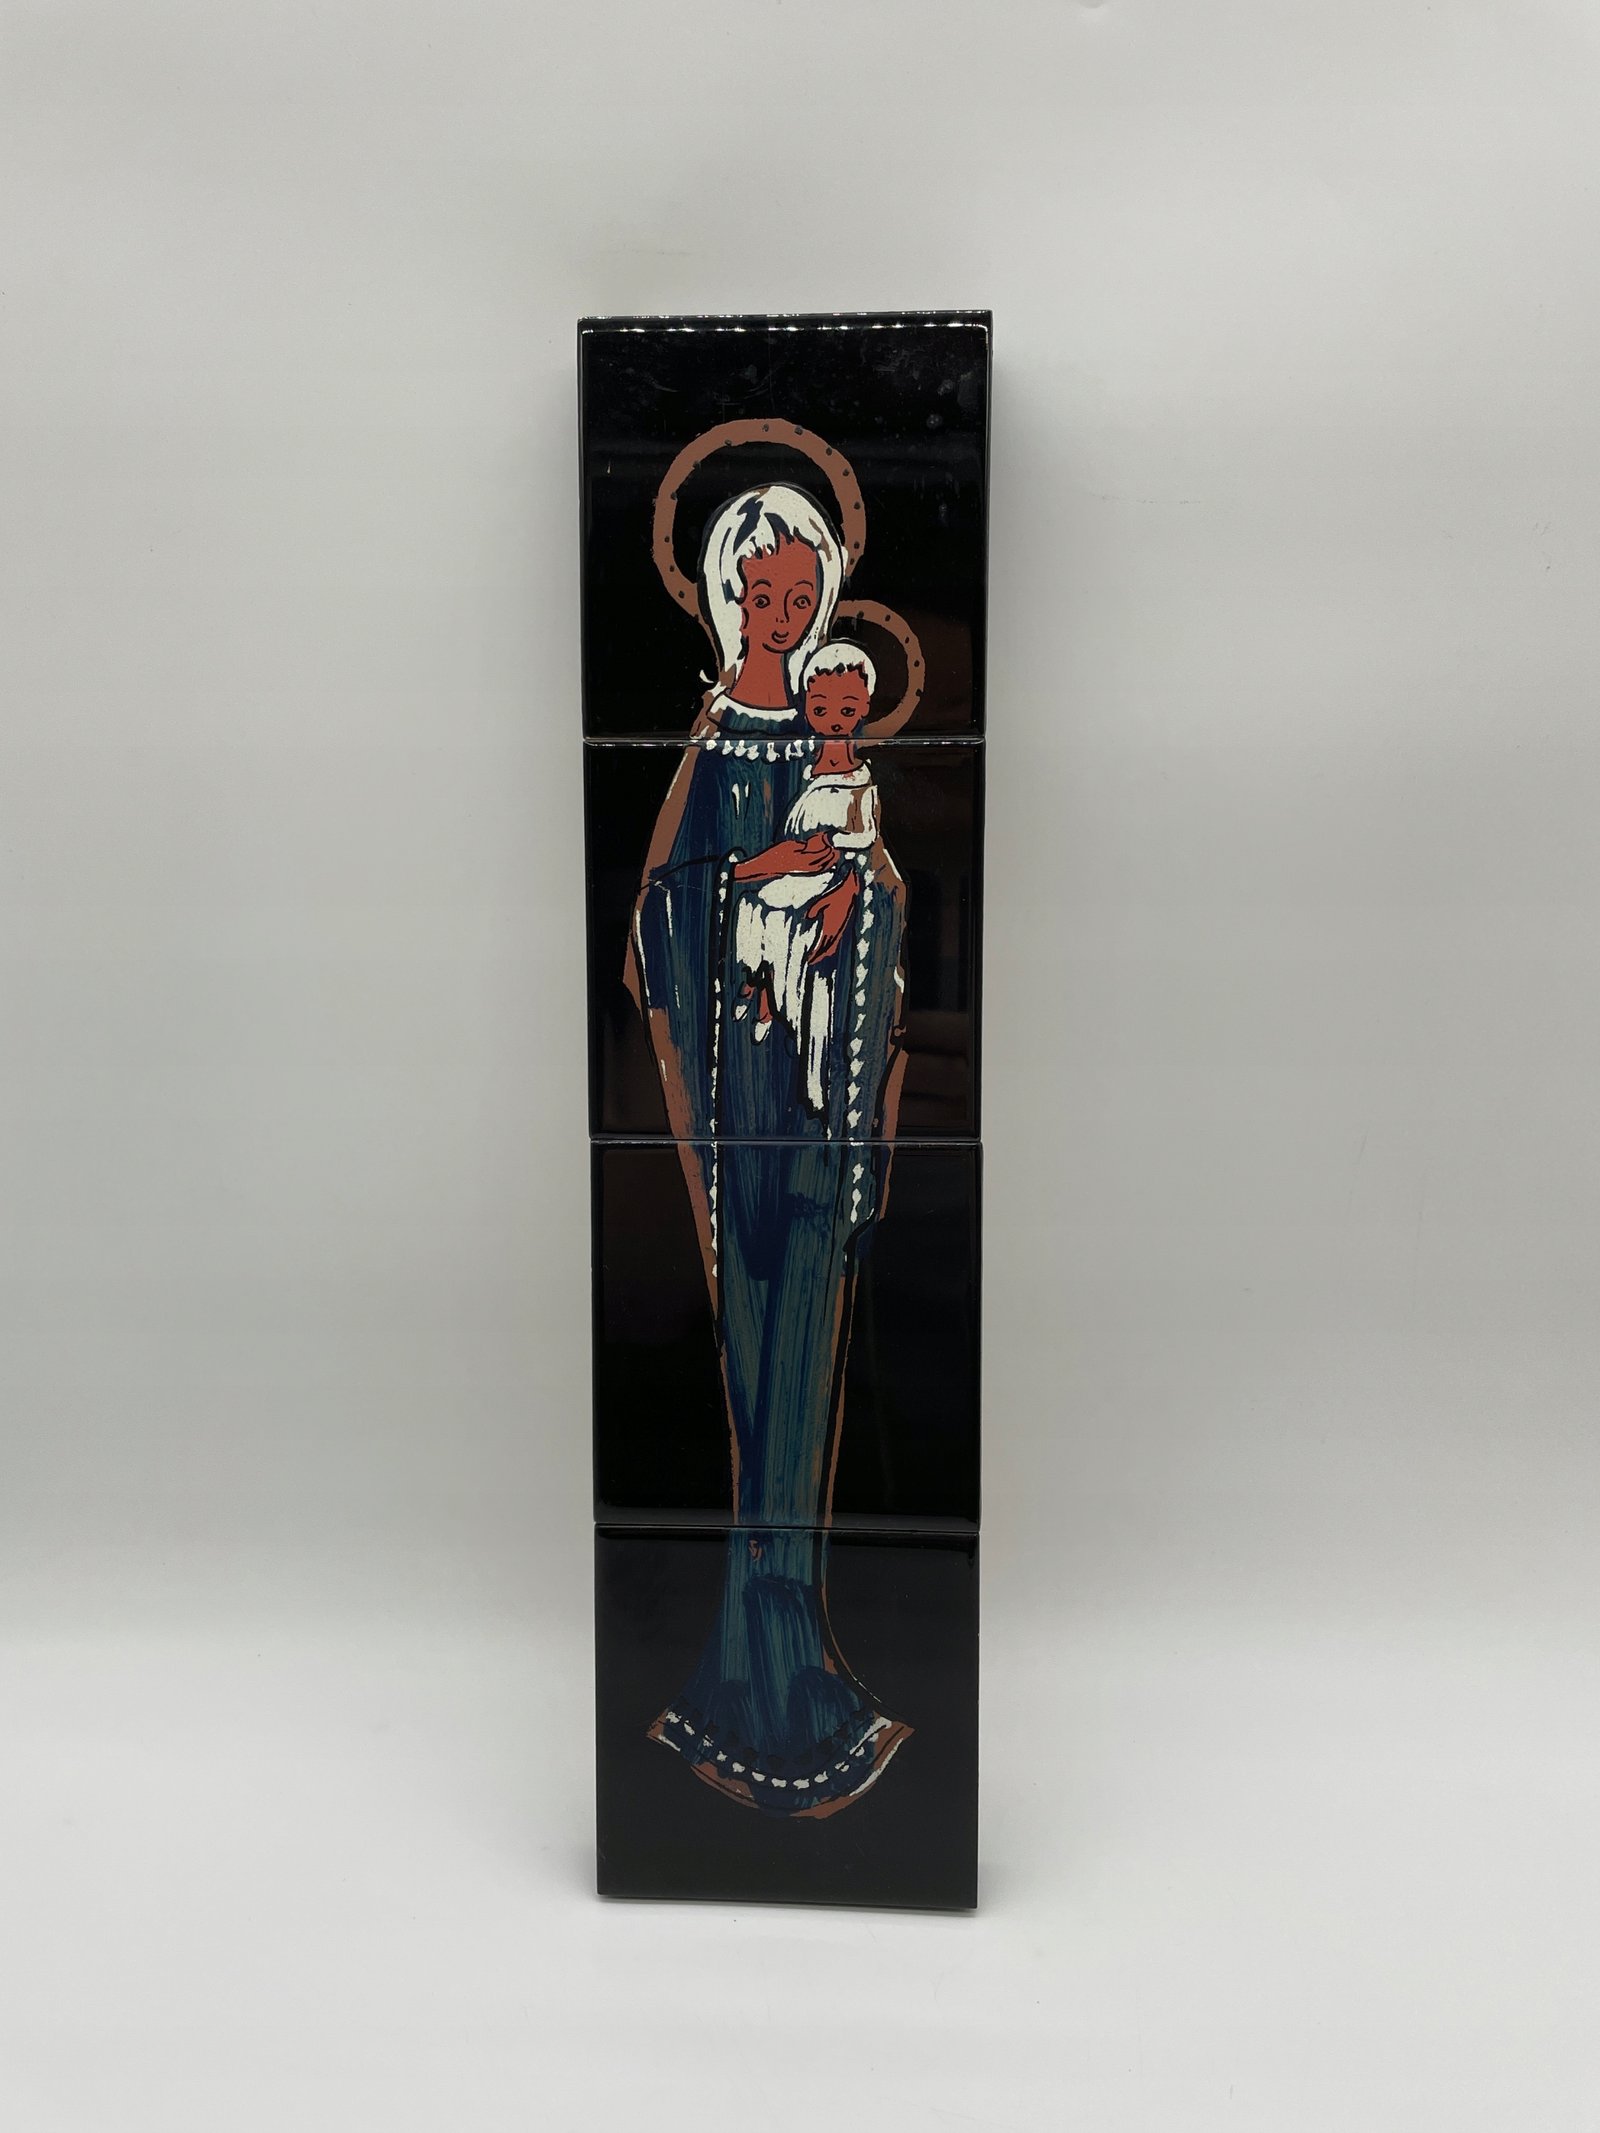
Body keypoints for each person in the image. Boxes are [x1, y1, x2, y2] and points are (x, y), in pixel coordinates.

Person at [627, 484, 912, 1817]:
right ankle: (760, 1684)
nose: (782, 618)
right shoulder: (717, 741)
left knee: (804, 1376)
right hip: (739, 1113)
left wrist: (858, 896)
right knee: (753, 1381)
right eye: (762, 594)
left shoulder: (826, 733)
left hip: (814, 1112)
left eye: (804, 598)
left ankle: (778, 1672)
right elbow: (659, 919)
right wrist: (762, 874)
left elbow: (883, 891)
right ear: (724, 593)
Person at [729, 641, 882, 1118]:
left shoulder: (862, 781)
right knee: (756, 905)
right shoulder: (799, 766)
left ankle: (779, 1001)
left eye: (847, 709)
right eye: (821, 709)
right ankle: (759, 985)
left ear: (865, 707)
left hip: (824, 873)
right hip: (797, 869)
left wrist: (840, 859)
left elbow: (865, 837)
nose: (834, 720)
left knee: (795, 928)